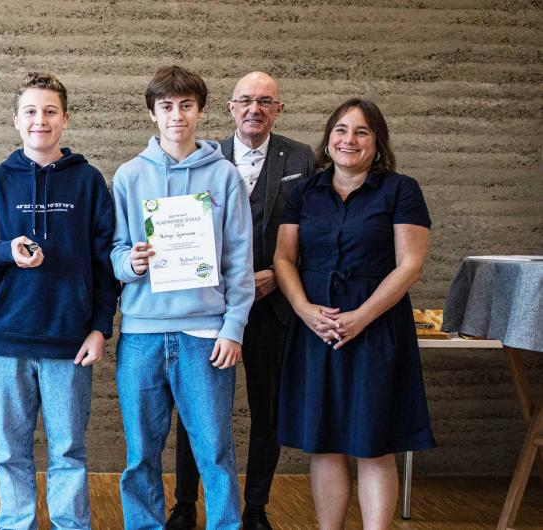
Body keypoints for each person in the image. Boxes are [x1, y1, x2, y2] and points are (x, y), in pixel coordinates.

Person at [0, 72, 117, 530]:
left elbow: (105, 264)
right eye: (30, 111)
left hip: (70, 340)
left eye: (49, 111)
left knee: (68, 449)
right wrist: (6, 251)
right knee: (10, 451)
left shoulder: (87, 182)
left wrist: (100, 327)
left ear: (65, 119)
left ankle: (70, 524)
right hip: (6, 339)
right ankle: (16, 524)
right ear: (15, 120)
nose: (39, 120)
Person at [274, 98, 435, 530]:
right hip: (316, 329)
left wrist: (361, 316)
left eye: (362, 132)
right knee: (324, 442)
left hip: (377, 329)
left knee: (372, 443)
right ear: (328, 141)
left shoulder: (401, 190)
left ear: (377, 143)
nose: (350, 139)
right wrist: (305, 311)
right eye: (342, 130)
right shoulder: (304, 192)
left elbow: (410, 265)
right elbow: (285, 260)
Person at [167, 71, 315, 530]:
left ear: (278, 110)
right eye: (246, 100)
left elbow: (316, 229)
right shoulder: (204, 157)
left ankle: (255, 507)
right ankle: (186, 504)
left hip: (273, 305)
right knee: (198, 410)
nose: (255, 109)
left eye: (265, 101)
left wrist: (277, 274)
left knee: (266, 409)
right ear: (230, 108)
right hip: (212, 307)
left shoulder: (303, 159)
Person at [110, 65, 254, 530]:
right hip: (141, 337)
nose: (177, 115)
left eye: (186, 106)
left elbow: (239, 262)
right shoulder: (129, 177)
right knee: (140, 455)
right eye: (167, 106)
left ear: (201, 111)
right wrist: (129, 263)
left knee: (214, 451)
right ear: (153, 114)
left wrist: (233, 329)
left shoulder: (225, 177)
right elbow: (113, 252)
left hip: (204, 336)